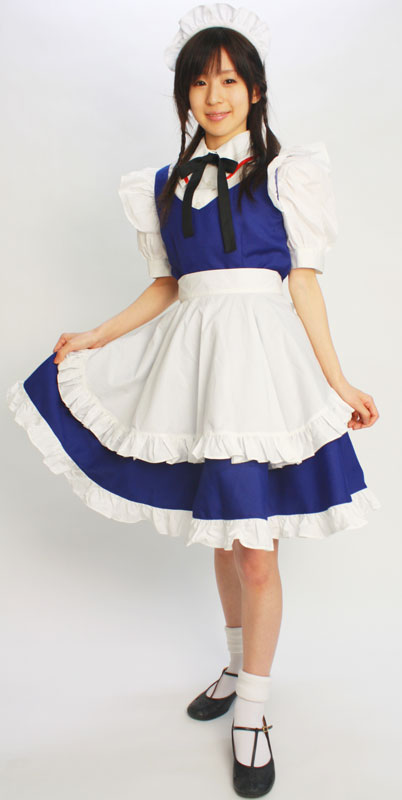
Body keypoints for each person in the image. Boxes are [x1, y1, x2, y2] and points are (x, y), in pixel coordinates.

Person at [6, 3, 381, 797]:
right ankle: (236, 664)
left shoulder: (285, 173)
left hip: (263, 370)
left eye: (230, 81)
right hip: (198, 370)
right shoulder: (162, 187)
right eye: (201, 83)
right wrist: (96, 336)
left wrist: (339, 381)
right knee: (223, 536)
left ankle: (254, 711)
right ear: (184, 95)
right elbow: (168, 286)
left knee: (257, 550)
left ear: (255, 91)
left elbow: (303, 285)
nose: (216, 95)